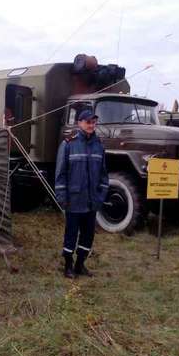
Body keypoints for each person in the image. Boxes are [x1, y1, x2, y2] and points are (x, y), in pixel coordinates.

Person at [55, 110, 109, 278]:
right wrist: (62, 197)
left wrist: (100, 196)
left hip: (92, 201)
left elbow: (103, 175)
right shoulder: (68, 144)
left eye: (93, 122)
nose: (91, 125)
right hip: (74, 200)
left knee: (88, 235)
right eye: (88, 122)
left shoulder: (99, 145)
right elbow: (60, 174)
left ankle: (80, 264)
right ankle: (68, 266)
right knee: (71, 234)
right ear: (79, 123)